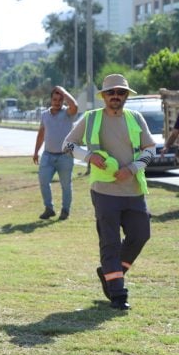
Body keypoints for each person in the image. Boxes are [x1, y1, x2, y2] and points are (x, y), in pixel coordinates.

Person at [63, 74, 155, 310]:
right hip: (104, 192)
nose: (116, 96)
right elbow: (68, 145)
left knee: (140, 235)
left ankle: (110, 273)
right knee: (110, 242)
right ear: (103, 96)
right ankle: (118, 294)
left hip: (134, 190)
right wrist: (88, 156)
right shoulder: (91, 118)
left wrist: (133, 168)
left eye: (121, 92)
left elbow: (150, 148)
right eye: (111, 92)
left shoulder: (136, 118)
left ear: (126, 96)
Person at [33, 86, 78, 220]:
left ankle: (65, 210)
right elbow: (41, 134)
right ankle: (49, 208)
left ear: (63, 100)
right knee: (43, 180)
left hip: (65, 156)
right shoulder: (45, 115)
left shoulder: (68, 113)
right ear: (51, 100)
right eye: (54, 99)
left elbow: (74, 105)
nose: (57, 102)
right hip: (48, 155)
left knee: (65, 185)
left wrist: (64, 91)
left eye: (60, 99)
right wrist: (36, 152)